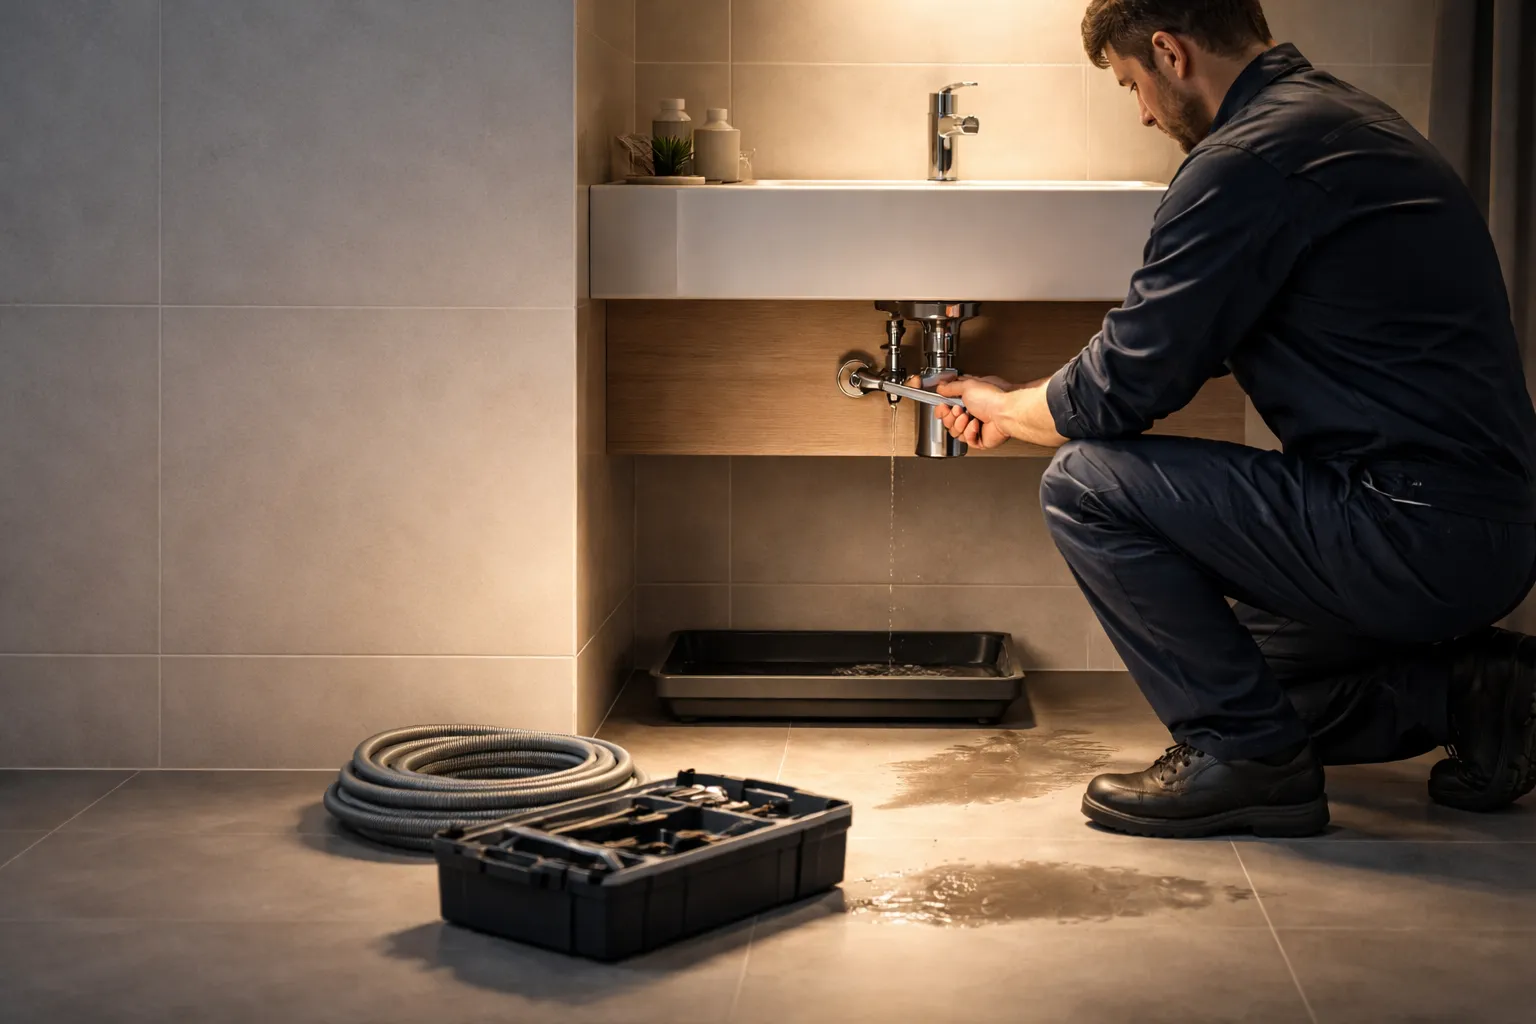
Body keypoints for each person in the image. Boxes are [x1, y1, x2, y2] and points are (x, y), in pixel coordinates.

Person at [934, 0, 1536, 838]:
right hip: (1477, 531)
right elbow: (1167, 352)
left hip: (1410, 527)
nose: (1143, 114)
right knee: (1237, 674)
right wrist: (1035, 396)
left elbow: (1118, 392)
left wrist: (1006, 408)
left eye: (1131, 84)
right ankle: (1481, 693)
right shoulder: (1338, 120)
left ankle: (1251, 764)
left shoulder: (1247, 160)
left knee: (1084, 483)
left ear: (1170, 53)